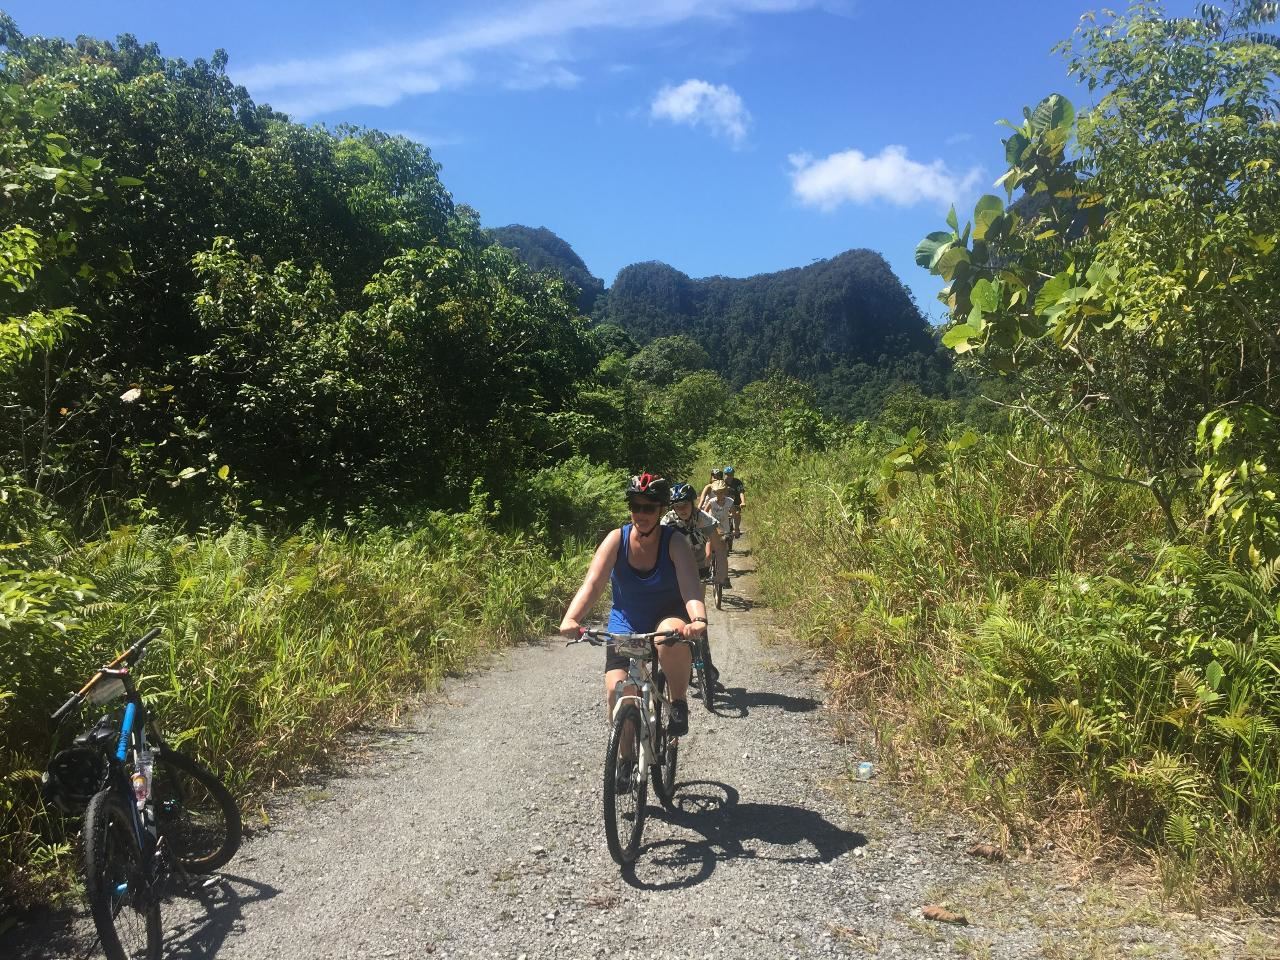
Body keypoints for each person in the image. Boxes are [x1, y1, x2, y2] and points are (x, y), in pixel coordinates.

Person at [559, 472, 708, 738]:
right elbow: (592, 584)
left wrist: (697, 619)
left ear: (660, 509)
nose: (641, 513)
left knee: (669, 638)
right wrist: (571, 619)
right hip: (626, 620)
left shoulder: (675, 542)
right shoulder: (617, 539)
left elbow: (690, 587)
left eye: (649, 507)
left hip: (667, 616)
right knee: (618, 694)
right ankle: (625, 767)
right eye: (635, 506)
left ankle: (678, 702)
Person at [662, 483, 726, 691]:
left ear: (692, 503)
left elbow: (719, 547)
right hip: (675, 569)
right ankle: (681, 655)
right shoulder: (667, 522)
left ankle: (702, 651)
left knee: (698, 613)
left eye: (685, 504)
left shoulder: (703, 518)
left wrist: (721, 574)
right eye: (677, 506)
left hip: (699, 568)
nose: (682, 509)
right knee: (678, 613)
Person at [703, 481, 735, 582]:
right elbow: (703, 513)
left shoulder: (730, 501)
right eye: (716, 492)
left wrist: (736, 528)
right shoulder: (711, 502)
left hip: (724, 530)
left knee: (723, 556)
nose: (719, 494)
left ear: (725, 492)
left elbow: (735, 514)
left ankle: (725, 578)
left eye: (721, 492)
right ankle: (705, 573)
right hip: (711, 530)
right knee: (708, 555)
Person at [723, 465, 745, 537]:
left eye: (731, 475)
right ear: (724, 475)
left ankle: (736, 528)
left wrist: (743, 502)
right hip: (724, 503)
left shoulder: (737, 482)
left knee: (737, 514)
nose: (729, 476)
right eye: (728, 475)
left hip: (736, 503)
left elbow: (741, 492)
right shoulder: (721, 483)